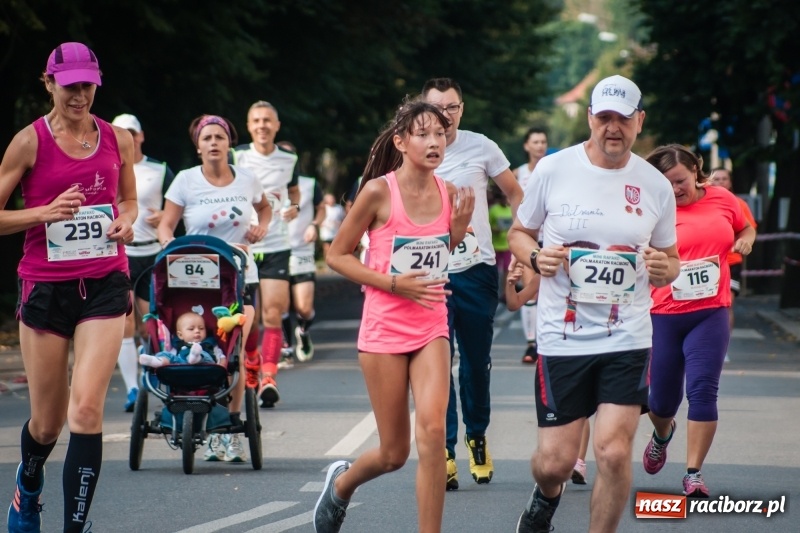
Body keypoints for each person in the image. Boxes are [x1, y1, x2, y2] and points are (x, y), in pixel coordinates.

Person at [507, 74, 680, 532]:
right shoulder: (553, 170)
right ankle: (545, 497)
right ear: (590, 118)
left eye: (623, 119)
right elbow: (519, 233)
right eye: (604, 117)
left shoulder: (655, 185)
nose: (612, 128)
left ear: (639, 121)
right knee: (556, 463)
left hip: (627, 335)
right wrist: (535, 255)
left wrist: (667, 269)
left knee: (614, 450)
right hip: (563, 339)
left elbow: (672, 258)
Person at [315, 97, 475, 533]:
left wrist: (457, 233)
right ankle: (341, 485)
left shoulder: (451, 192)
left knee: (432, 437)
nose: (434, 141)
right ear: (401, 142)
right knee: (393, 454)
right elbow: (336, 255)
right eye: (423, 134)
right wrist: (391, 282)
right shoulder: (377, 192)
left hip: (432, 327)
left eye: (440, 134)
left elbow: (439, 254)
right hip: (384, 329)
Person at [0, 42, 137, 532]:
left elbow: (129, 200)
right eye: (69, 85)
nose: (79, 95)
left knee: (85, 409)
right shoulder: (28, 142)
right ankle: (28, 483)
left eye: (87, 85)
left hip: (104, 281)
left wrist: (127, 220)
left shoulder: (118, 139)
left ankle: (74, 528)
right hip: (45, 289)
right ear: (49, 83)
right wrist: (44, 212)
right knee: (47, 423)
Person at [422, 77, 523, 490]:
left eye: (452, 107)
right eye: (437, 108)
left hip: (476, 268)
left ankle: (476, 435)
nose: (445, 116)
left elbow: (517, 194)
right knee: (436, 365)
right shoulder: (411, 149)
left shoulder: (481, 146)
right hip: (428, 272)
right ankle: (445, 449)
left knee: (476, 362)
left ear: (462, 110)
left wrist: (520, 243)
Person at [643, 145, 755, 498]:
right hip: (663, 314)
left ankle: (693, 473)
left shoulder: (722, 198)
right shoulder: (651, 211)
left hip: (711, 311)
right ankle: (663, 433)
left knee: (703, 390)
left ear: (696, 171)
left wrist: (745, 241)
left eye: (680, 180)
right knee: (660, 401)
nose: (675, 189)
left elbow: (746, 226)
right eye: (667, 183)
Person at [157, 114, 270, 463]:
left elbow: (266, 209)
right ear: (198, 146)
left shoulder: (247, 179)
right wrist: (171, 254)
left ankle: (229, 427)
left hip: (238, 275)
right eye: (207, 138)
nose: (213, 143)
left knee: (232, 349)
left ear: (228, 143)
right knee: (193, 343)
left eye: (219, 137)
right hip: (193, 281)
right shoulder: (186, 182)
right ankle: (189, 410)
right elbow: (166, 226)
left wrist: (260, 228)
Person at [233, 101, 300, 408]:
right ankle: (251, 366)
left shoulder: (289, 158)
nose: (262, 125)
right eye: (256, 120)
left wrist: (294, 208)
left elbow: (294, 190)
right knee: (246, 320)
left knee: (272, 313)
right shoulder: (237, 156)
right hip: (242, 246)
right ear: (249, 126)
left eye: (267, 121)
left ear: (277, 126)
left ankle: (269, 377)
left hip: (275, 245)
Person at [111, 113, 176, 411]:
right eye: (121, 132)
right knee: (125, 323)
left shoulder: (161, 170)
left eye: (132, 132)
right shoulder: (107, 167)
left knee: (154, 321)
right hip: (121, 252)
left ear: (140, 136)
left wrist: (165, 216)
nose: (127, 137)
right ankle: (133, 389)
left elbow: (179, 209)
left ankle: (164, 383)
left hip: (152, 253)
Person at [277, 140, 326, 366]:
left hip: (302, 249)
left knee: (304, 308)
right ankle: (286, 347)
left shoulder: (309, 184)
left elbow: (321, 208)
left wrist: (314, 225)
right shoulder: (265, 182)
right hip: (275, 249)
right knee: (280, 304)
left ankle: (303, 332)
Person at [710, 167, 758, 362]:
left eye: (724, 179)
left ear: (730, 182)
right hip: (706, 263)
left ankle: (723, 347)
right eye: (716, 179)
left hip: (731, 262)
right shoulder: (703, 203)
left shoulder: (738, 204)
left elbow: (749, 229)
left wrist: (742, 242)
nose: (720, 182)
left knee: (726, 305)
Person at [514, 128, 549, 364]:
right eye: (535, 142)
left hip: (551, 238)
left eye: (543, 141)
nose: (540, 146)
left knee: (552, 291)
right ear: (527, 145)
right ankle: (531, 344)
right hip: (529, 239)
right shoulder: (518, 173)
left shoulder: (552, 169)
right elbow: (513, 202)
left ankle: (547, 340)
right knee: (530, 290)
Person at [138, 311, 224, 367]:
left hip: (205, 365)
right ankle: (158, 361)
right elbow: (172, 356)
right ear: (180, 335)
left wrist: (222, 364)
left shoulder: (210, 343)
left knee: (204, 354)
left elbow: (220, 356)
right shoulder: (177, 344)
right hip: (181, 364)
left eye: (201, 328)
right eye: (191, 329)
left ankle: (195, 356)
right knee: (167, 355)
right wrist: (167, 358)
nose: (197, 331)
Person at [488, 185, 514, 300]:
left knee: (507, 270)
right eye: (503, 197)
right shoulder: (493, 210)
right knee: (495, 271)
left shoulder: (510, 209)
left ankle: (505, 293)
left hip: (507, 245)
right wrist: (496, 229)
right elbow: (486, 226)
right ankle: (493, 291)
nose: (505, 199)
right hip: (495, 245)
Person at [320, 193, 345, 264]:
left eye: (332, 198)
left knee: (336, 247)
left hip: (336, 231)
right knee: (327, 247)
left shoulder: (339, 208)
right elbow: (320, 219)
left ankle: (336, 261)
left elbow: (343, 218)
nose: (332, 200)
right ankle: (327, 261)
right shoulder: (323, 208)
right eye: (330, 199)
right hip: (326, 232)